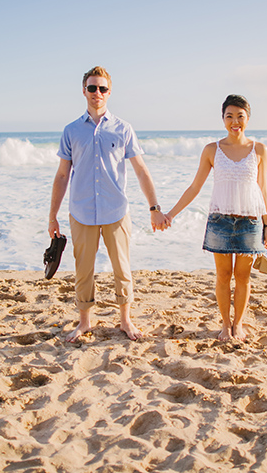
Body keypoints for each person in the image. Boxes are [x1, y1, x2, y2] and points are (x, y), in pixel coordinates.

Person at [49, 66, 169, 342]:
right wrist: (52, 217)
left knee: (122, 269)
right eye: (92, 88)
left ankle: (125, 321)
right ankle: (84, 322)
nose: (97, 93)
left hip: (116, 211)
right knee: (83, 270)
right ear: (84, 91)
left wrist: (154, 208)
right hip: (81, 211)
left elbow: (141, 170)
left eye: (102, 88)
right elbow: (62, 174)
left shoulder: (123, 128)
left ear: (109, 92)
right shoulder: (71, 131)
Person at [165, 95, 267, 341]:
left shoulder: (260, 150)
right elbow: (194, 187)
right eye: (229, 116)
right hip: (220, 221)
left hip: (250, 222)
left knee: (243, 277)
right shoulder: (212, 150)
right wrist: (171, 213)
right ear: (223, 119)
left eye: (240, 116)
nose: (235, 122)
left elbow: (263, 189)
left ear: (248, 118)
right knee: (223, 276)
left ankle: (239, 325)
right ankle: (225, 325)